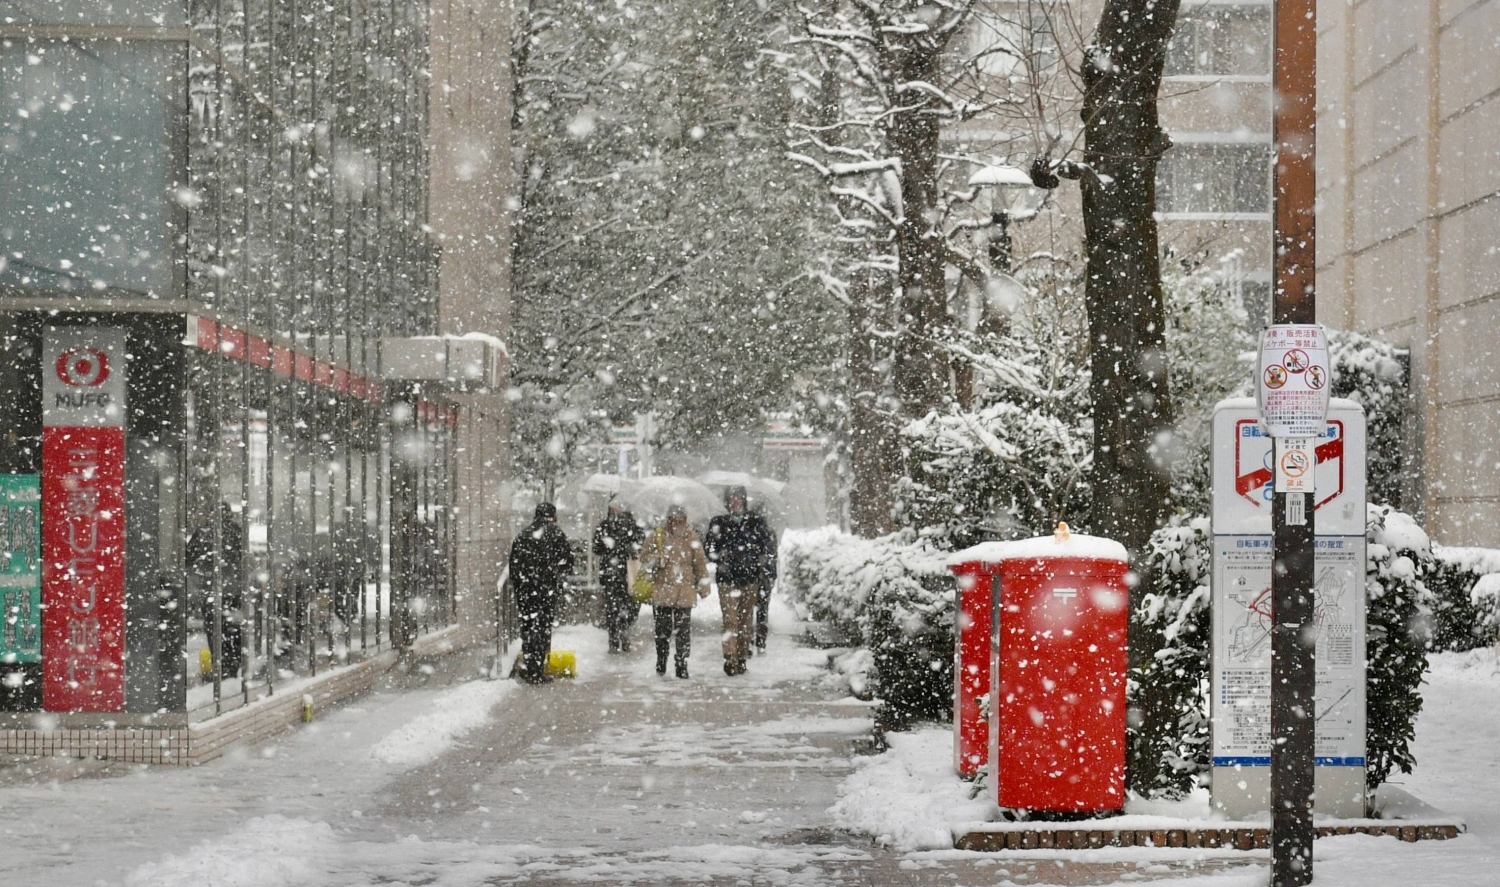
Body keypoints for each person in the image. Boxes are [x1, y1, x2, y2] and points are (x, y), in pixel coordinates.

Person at [705, 486, 775, 676]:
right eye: (732, 499)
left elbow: (767, 547)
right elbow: (709, 548)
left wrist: (759, 558)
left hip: (749, 578)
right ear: (727, 502)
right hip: (727, 579)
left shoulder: (755, 522)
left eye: (738, 498)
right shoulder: (719, 522)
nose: (735, 502)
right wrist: (719, 557)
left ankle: (742, 655)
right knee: (730, 620)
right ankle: (730, 657)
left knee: (745, 621)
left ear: (744, 500)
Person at [508, 502, 574, 684]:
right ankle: (538, 668)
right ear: (552, 516)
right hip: (546, 590)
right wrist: (555, 574)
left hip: (526, 591)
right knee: (543, 627)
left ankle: (530, 666)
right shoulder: (556, 534)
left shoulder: (523, 535)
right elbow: (567, 561)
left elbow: (514, 565)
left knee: (528, 626)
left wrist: (520, 584)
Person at [641, 505, 709, 679]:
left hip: (684, 591)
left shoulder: (692, 538)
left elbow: (700, 563)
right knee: (662, 631)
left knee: (683, 632)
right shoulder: (658, 537)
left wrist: (704, 584)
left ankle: (681, 664)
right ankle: (661, 660)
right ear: (669, 521)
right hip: (663, 590)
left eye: (681, 521)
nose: (678, 525)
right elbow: (644, 558)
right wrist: (657, 560)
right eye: (674, 521)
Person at [187, 502, 246, 679]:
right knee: (232, 627)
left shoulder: (203, 532)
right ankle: (233, 665)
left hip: (210, 590)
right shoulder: (237, 531)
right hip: (232, 590)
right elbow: (245, 559)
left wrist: (200, 578)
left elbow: (189, 558)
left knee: (214, 628)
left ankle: (220, 664)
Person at [593, 501, 644, 653]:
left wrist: (612, 546)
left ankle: (617, 638)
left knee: (618, 606)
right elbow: (597, 547)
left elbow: (597, 548)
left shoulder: (610, 526)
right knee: (622, 606)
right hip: (620, 574)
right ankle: (620, 636)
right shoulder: (612, 526)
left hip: (620, 573)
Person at [749, 500, 779, 654]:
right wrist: (772, 574)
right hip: (763, 576)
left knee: (748, 610)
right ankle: (760, 640)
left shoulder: (748, 532)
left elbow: (772, 555)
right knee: (762, 611)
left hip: (751, 576)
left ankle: (749, 641)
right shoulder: (769, 532)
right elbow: (773, 556)